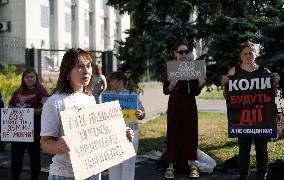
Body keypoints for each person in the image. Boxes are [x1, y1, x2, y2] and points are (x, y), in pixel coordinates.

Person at [40, 49, 134, 180]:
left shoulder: (89, 98)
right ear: (67, 71)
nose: (86, 71)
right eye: (80, 66)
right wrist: (59, 146)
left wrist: (121, 135)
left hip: (93, 173)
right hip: (66, 175)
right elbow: (45, 143)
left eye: (88, 66)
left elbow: (97, 136)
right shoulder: (55, 102)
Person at [221, 41, 280, 180]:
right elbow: (227, 97)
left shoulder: (264, 71)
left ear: (255, 54)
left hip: (261, 117)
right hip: (242, 118)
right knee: (244, 149)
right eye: (245, 53)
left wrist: (275, 82)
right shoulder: (233, 71)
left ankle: (262, 176)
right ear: (241, 56)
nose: (248, 56)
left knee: (261, 149)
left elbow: (273, 95)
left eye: (250, 53)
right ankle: (243, 176)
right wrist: (225, 85)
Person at [163, 43, 205, 179]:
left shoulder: (193, 68)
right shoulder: (171, 69)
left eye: (186, 52)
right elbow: (165, 90)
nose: (183, 55)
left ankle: (193, 164)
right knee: (173, 132)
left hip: (190, 105)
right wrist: (172, 85)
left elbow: (196, 92)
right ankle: (170, 164)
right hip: (175, 105)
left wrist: (200, 84)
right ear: (175, 53)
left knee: (191, 132)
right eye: (180, 52)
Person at [8, 68, 49, 180]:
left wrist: (28, 113)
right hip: (18, 130)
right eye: (27, 77)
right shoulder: (18, 91)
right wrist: (15, 111)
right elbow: (10, 106)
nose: (29, 79)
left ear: (36, 77)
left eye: (32, 77)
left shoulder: (41, 91)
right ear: (23, 79)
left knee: (34, 158)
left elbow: (45, 108)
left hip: (34, 130)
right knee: (16, 159)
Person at [107, 71, 145, 180]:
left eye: (114, 81)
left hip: (130, 135)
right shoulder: (107, 96)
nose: (112, 84)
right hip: (112, 136)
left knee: (128, 168)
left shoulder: (131, 95)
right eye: (111, 81)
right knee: (114, 168)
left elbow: (142, 114)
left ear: (121, 82)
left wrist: (140, 114)